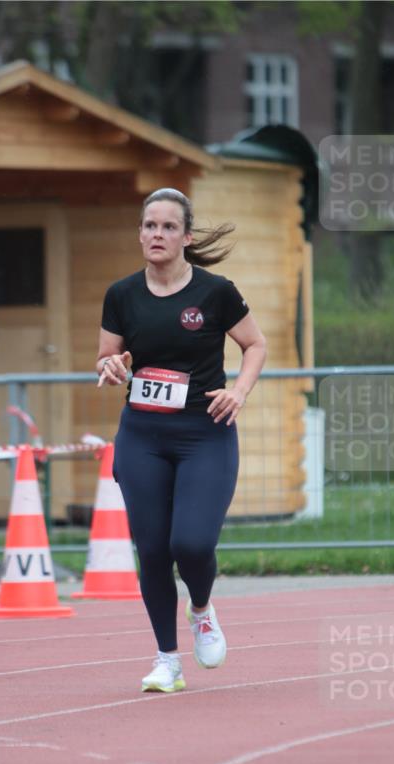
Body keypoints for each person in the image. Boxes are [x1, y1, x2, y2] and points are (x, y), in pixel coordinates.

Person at [96, 187, 266, 693]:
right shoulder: (122, 295)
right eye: (150, 225)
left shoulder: (215, 292)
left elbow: (255, 344)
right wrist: (112, 367)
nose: (157, 234)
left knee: (190, 543)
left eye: (169, 227)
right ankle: (166, 660)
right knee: (151, 549)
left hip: (204, 433)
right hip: (143, 434)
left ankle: (201, 608)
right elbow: (108, 359)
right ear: (140, 233)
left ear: (186, 237)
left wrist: (238, 390)